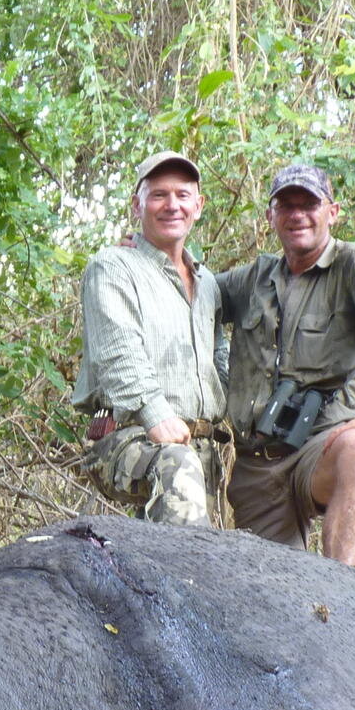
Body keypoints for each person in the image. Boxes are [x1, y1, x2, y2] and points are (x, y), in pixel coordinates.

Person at [217, 163, 355, 565]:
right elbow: (187, 289)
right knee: (269, 598)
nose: (297, 215)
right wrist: (146, 255)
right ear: (270, 215)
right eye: (285, 205)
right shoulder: (252, 279)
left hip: (323, 446)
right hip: (257, 465)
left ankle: (342, 589)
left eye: (309, 203)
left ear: (333, 211)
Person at [73, 151, 230, 527]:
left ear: (199, 205)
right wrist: (155, 415)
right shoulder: (113, 266)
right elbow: (117, 354)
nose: (171, 205)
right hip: (130, 435)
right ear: (137, 204)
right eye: (158, 195)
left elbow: (220, 358)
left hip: (206, 447)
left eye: (182, 195)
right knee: (177, 467)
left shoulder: (208, 283)